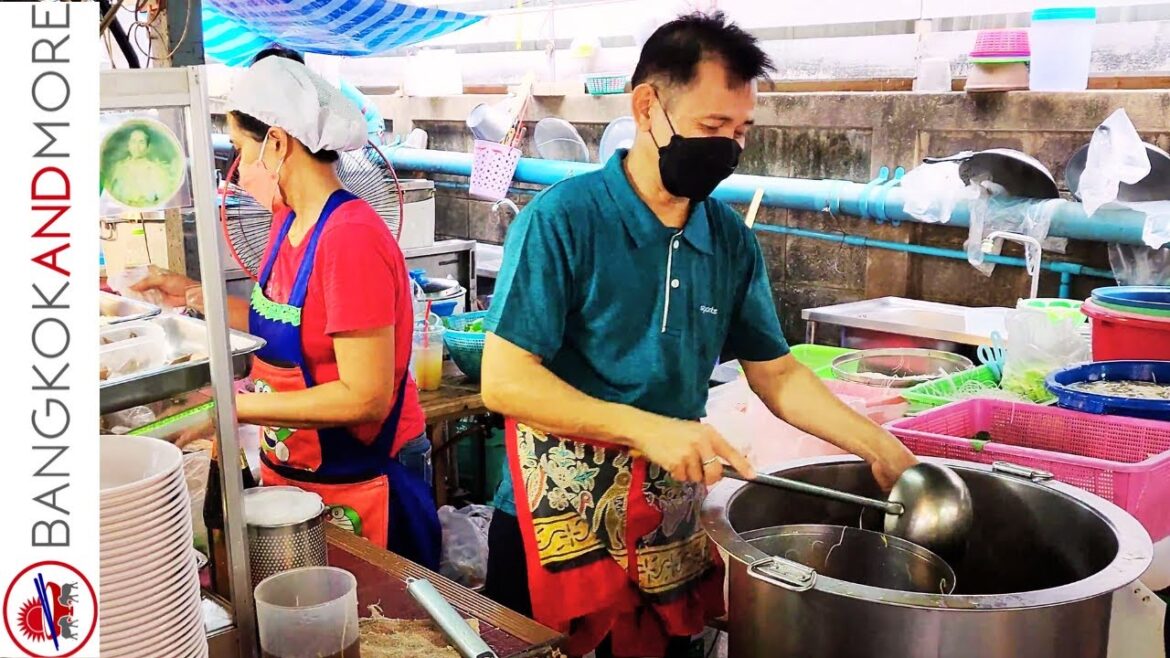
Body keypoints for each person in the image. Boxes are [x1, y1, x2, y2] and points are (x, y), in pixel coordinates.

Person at [479, 12, 918, 658]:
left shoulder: (729, 241)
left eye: (740, 133)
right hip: (549, 528)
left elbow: (777, 373)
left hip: (668, 528)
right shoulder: (563, 222)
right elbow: (504, 380)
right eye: (713, 128)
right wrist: (647, 429)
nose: (728, 149)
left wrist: (877, 446)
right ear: (646, 108)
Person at [133, 55, 440, 569]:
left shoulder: (350, 239)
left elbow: (364, 397)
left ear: (276, 143)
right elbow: (280, 326)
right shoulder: (287, 222)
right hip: (296, 473)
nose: (237, 169)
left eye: (240, 148)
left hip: (365, 479)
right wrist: (189, 295)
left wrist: (231, 409)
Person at [108, 128, 174, 207]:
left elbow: (164, 200)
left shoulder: (157, 170)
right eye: (133, 141)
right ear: (128, 146)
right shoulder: (120, 169)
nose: (137, 146)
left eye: (141, 142)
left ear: (148, 147)